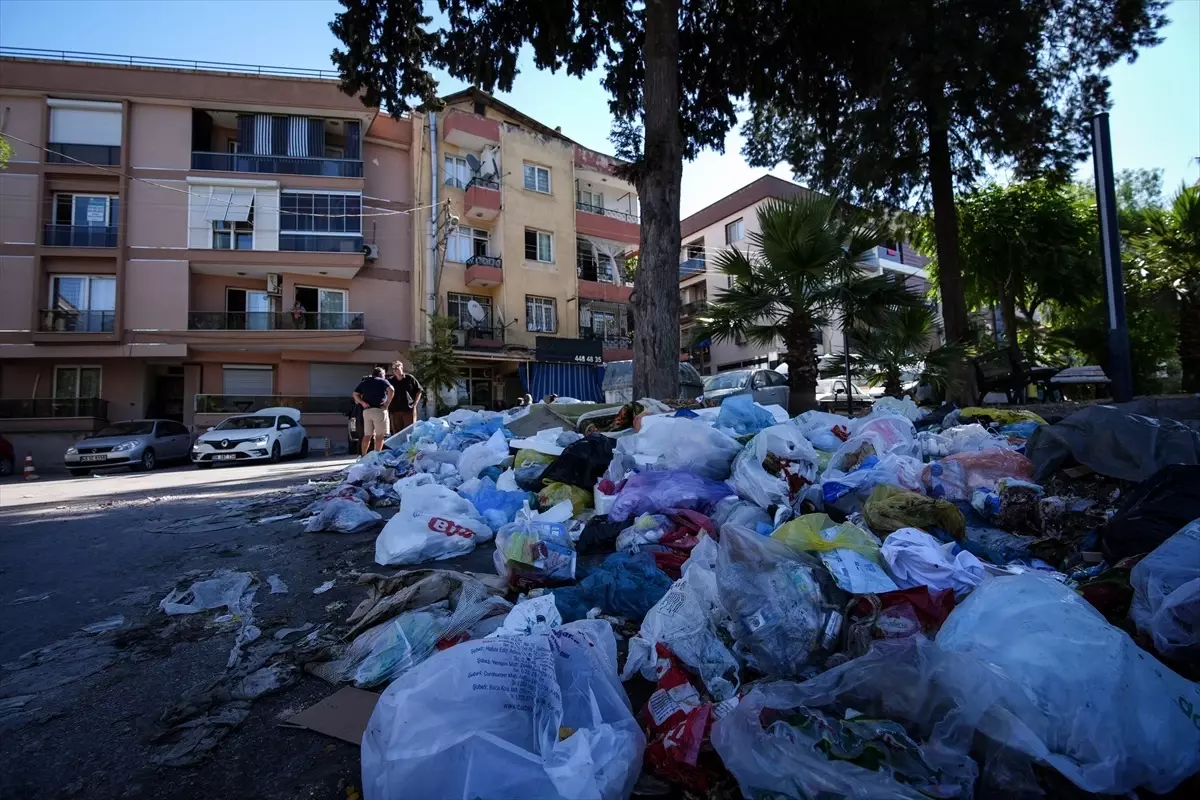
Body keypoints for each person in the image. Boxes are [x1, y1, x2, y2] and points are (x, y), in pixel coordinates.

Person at [352, 367, 394, 456]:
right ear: (381, 374)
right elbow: (391, 390)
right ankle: (376, 455)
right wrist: (387, 403)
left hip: (367, 411)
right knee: (380, 435)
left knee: (367, 435)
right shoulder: (382, 381)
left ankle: (363, 456)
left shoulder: (365, 382)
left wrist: (362, 402)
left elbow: (355, 394)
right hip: (379, 410)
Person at [387, 359, 423, 434]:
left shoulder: (409, 378)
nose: (395, 370)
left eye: (397, 368)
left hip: (408, 409)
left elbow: (419, 390)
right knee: (397, 432)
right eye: (393, 369)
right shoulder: (390, 381)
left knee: (410, 431)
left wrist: (415, 404)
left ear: (402, 368)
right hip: (395, 410)